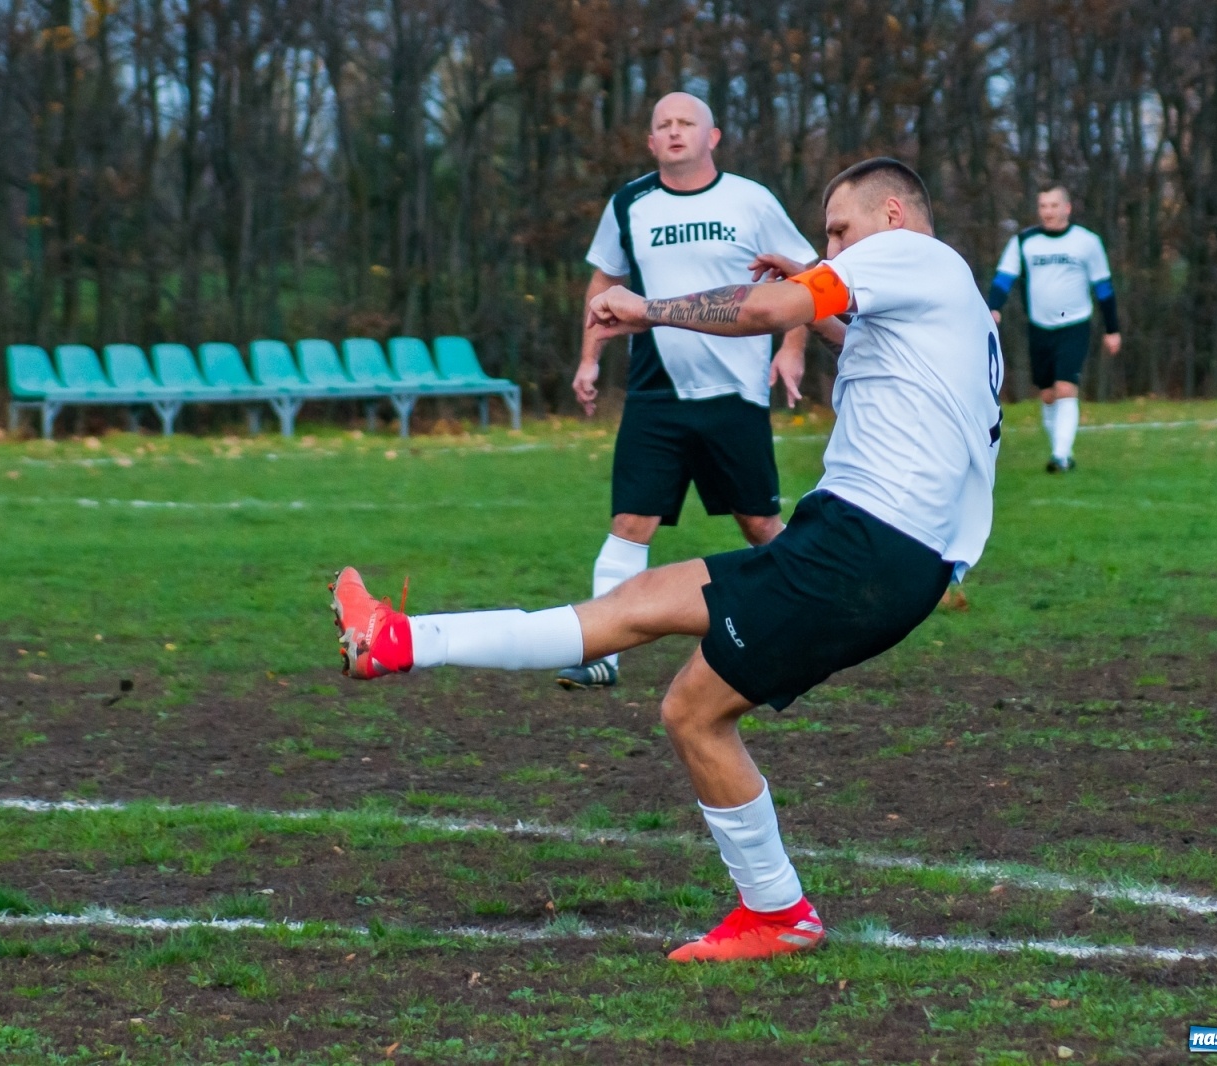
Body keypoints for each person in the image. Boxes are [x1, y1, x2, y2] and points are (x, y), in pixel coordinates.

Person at [330, 157, 1002, 962]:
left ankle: (779, 914)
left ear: (892, 214)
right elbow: (850, 331)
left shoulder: (907, 252)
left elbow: (767, 311)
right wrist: (808, 289)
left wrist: (648, 309)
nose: (830, 250)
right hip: (866, 544)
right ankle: (398, 641)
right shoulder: (944, 288)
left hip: (865, 549)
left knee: (693, 712)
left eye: (837, 232)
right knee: (639, 600)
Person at [562, 91, 837, 691]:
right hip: (655, 391)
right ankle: (601, 653)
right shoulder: (629, 203)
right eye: (663, 124)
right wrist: (589, 358)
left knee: (759, 523)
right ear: (651, 142)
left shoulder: (751, 200)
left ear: (712, 138)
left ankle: (817, 625)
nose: (675, 131)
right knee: (630, 520)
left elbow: (808, 279)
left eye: (687, 122)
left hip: (735, 391)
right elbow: (605, 279)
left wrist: (791, 349)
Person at [987, 183, 1120, 473]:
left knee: (1065, 387)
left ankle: (1061, 456)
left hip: (1075, 324)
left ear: (1067, 208)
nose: (1048, 212)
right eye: (1043, 206)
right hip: (1040, 327)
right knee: (1047, 394)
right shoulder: (1024, 242)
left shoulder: (1087, 242)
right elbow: (1004, 277)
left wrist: (1112, 329)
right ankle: (1058, 449)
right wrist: (993, 307)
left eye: (1054, 206)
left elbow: (1104, 287)